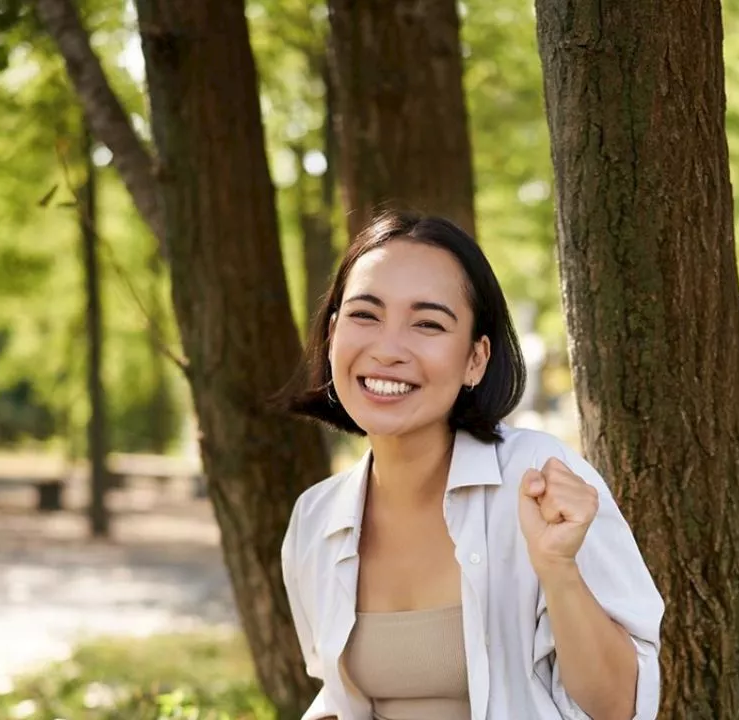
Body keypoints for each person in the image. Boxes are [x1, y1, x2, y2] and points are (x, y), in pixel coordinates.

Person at [281, 210, 664, 720]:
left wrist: (558, 568)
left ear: (475, 360)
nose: (388, 349)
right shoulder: (315, 519)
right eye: (365, 315)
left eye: (428, 324)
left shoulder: (536, 479)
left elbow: (620, 708)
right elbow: (340, 697)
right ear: (332, 336)